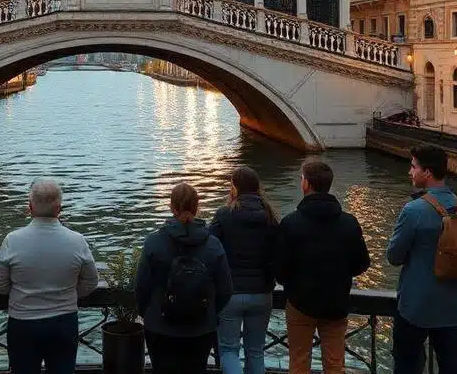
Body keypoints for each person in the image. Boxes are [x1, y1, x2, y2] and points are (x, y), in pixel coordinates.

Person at [387, 145, 457, 374]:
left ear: (427, 172)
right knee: (450, 366)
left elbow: (394, 256)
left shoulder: (413, 210)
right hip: (454, 307)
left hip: (415, 306)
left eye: (413, 167)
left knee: (407, 365)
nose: (410, 172)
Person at [0, 178, 98, 374]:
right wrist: (71, 294)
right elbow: (91, 280)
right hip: (63, 321)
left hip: (23, 322)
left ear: (30, 207)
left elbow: (0, 285)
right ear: (59, 208)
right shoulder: (77, 241)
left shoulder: (12, 241)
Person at [276, 160, 370, 374]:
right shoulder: (349, 222)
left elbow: (280, 268)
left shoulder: (291, 223)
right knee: (335, 363)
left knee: (299, 361)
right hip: (336, 302)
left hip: (300, 302)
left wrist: (292, 284)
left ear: (306, 184)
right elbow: (362, 263)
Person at [137, 182, 233, 374]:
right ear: (197, 207)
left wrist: (146, 312)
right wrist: (209, 310)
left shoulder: (154, 242)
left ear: (171, 207)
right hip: (201, 327)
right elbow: (226, 289)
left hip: (160, 325)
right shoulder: (213, 245)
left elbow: (141, 286)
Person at [209, 167, 278, 374]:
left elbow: (211, 249)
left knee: (229, 350)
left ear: (234, 188)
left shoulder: (224, 215)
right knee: (256, 351)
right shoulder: (270, 217)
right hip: (262, 292)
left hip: (230, 292)